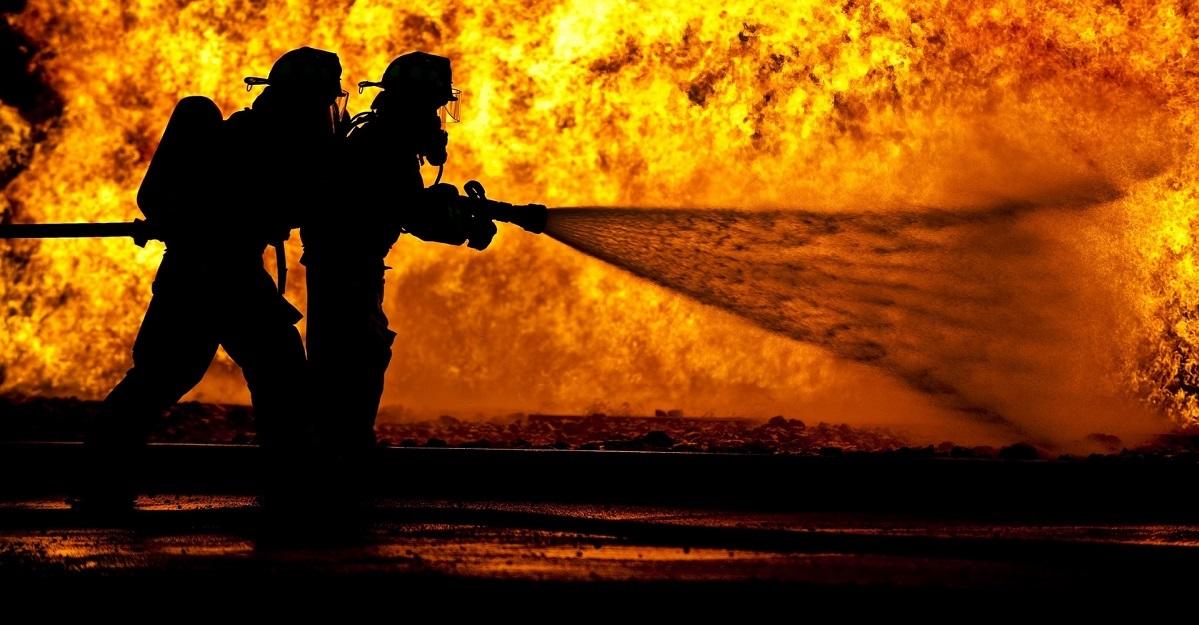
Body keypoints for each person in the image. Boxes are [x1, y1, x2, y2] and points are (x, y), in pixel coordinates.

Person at [74, 47, 347, 512]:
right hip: (220, 274)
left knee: (166, 377)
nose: (325, 113)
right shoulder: (264, 143)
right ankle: (292, 490)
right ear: (303, 101)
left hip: (202, 274)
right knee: (273, 372)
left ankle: (101, 479)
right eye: (320, 102)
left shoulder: (259, 136)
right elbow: (288, 203)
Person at [302, 51, 494, 458]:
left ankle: (332, 448)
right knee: (357, 356)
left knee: (348, 355)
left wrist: (447, 208)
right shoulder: (387, 142)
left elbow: (402, 204)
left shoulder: (379, 135)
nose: (439, 119)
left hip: (346, 261)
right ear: (417, 103)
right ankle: (340, 454)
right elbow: (409, 212)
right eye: (435, 106)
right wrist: (463, 226)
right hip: (349, 264)